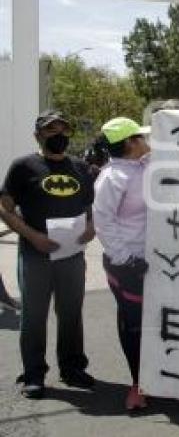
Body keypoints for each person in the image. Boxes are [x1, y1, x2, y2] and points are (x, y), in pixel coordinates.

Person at [0, 110, 96, 399]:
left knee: (70, 313)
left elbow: (92, 209)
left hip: (72, 255)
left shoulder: (80, 168)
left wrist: (91, 228)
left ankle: (72, 368)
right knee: (33, 316)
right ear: (38, 136)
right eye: (51, 132)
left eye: (63, 131)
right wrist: (32, 236)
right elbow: (5, 208)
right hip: (34, 254)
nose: (58, 137)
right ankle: (33, 373)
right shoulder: (23, 166)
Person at [93, 117, 150, 410]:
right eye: (141, 136)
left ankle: (163, 379)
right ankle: (137, 384)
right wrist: (126, 259)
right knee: (134, 325)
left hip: (153, 261)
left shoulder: (145, 166)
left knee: (156, 323)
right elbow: (103, 221)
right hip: (127, 264)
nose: (146, 140)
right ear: (130, 143)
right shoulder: (113, 177)